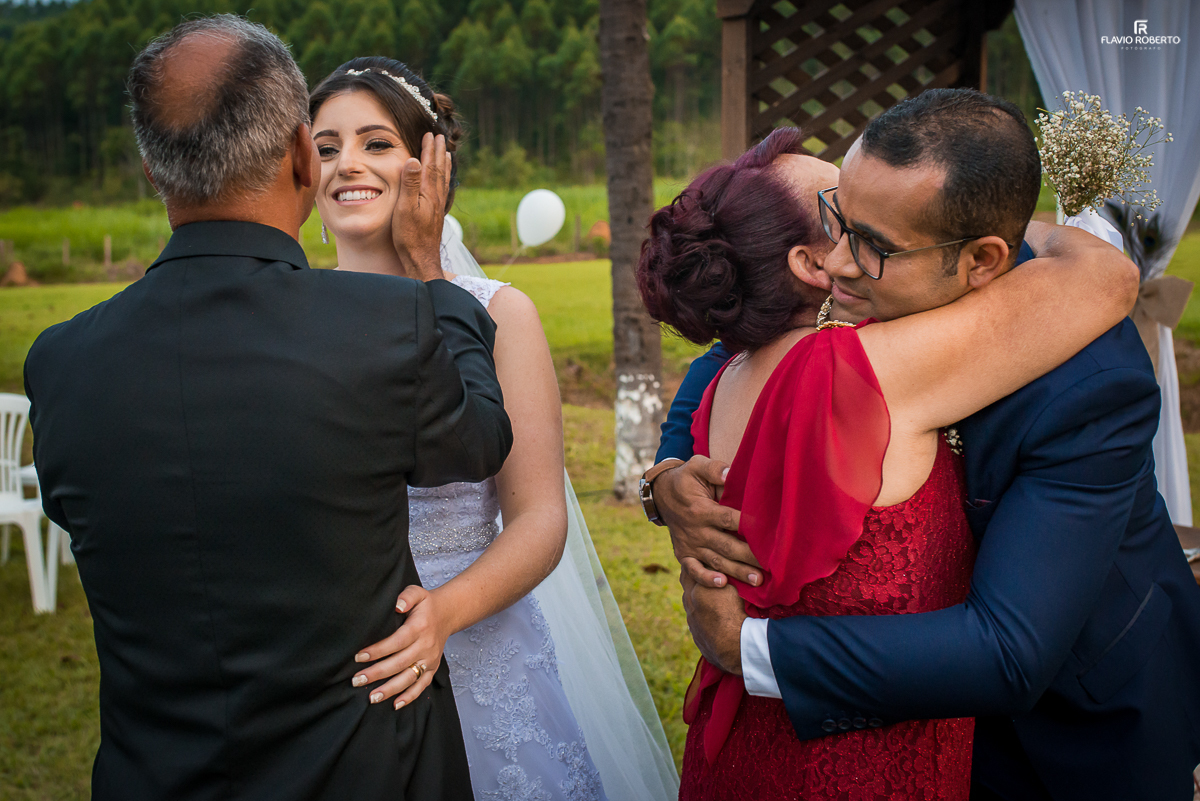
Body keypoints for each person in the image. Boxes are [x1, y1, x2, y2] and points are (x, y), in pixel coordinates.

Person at [648, 89, 1200, 801]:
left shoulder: (1090, 380)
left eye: (873, 245)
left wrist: (746, 649)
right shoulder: (863, 297)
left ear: (981, 259)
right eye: (837, 221)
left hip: (1074, 723)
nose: (838, 262)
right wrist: (663, 478)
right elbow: (723, 362)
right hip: (917, 717)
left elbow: (1009, 649)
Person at [23, 17, 512, 801]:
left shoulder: (60, 360)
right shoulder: (391, 324)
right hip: (367, 774)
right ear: (298, 154)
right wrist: (432, 281)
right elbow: (480, 439)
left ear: (153, 171)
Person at [307, 58, 679, 801]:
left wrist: (442, 615)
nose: (346, 162)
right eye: (324, 147)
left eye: (375, 143)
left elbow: (540, 519)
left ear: (432, 163)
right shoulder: (293, 314)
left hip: (482, 658)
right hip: (334, 667)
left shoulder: (500, 313)